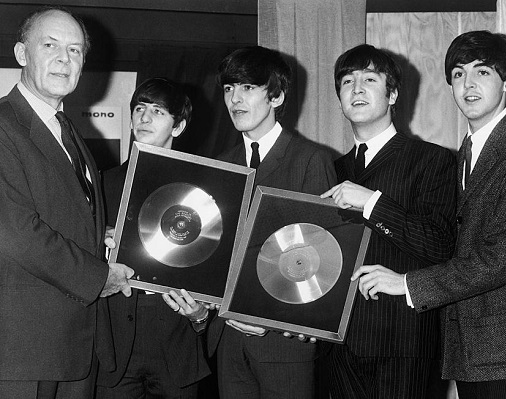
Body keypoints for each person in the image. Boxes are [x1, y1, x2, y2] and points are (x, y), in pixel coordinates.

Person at [352, 31, 506, 399]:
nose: (468, 84)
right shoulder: (467, 151)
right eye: (458, 74)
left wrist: (404, 283)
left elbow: (498, 260)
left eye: (482, 72)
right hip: (471, 349)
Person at [0, 6, 133, 399]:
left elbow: (66, 215)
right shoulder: (4, 126)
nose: (64, 59)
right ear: (22, 54)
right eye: (51, 45)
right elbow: (17, 233)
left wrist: (102, 238)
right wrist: (98, 277)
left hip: (76, 347)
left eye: (75, 51)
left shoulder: (68, 130)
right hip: (26, 350)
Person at [321, 44, 457, 398]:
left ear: (392, 93)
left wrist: (372, 203)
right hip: (338, 346)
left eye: (369, 79)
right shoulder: (330, 169)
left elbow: (440, 245)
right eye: (347, 81)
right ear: (339, 99)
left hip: (404, 343)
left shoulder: (432, 160)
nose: (357, 89)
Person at [206, 45, 337, 399]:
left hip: (285, 343)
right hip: (228, 339)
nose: (235, 99)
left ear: (276, 96)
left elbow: (321, 259)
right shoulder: (221, 164)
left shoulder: (312, 160)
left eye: (248, 88)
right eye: (229, 88)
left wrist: (266, 318)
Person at [96, 77, 213, 398]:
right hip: (115, 349)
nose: (144, 118)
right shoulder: (102, 183)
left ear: (179, 126)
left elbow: (215, 265)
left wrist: (201, 317)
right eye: (139, 108)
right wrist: (99, 243)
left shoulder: (203, 189)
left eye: (158, 111)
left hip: (176, 342)